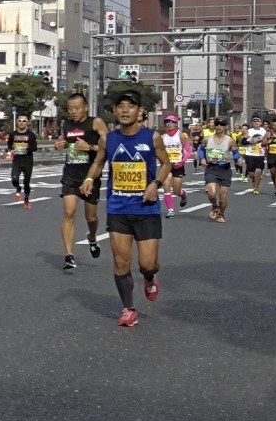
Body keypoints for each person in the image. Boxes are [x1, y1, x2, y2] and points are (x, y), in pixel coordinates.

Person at [80, 86, 166, 328]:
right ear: (115, 111)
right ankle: (129, 309)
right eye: (121, 106)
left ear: (140, 111)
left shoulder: (152, 137)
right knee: (120, 262)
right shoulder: (108, 138)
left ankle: (150, 277)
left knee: (147, 264)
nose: (125, 110)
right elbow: (98, 163)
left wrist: (156, 183)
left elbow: (166, 164)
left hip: (146, 209)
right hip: (118, 208)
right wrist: (89, 179)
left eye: (131, 106)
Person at [57, 92, 106, 270]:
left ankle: (92, 237)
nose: (73, 112)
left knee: (91, 217)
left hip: (90, 176)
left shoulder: (96, 122)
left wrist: (90, 147)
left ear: (85, 107)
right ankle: (69, 255)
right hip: (70, 173)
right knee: (69, 212)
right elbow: (66, 140)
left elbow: (109, 143)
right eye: (70, 109)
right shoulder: (67, 124)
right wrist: (60, 143)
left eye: (77, 108)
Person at [201, 119, 236, 223]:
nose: (219, 126)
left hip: (224, 169)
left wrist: (235, 158)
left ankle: (221, 214)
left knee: (222, 196)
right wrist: (202, 158)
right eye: (217, 124)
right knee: (211, 193)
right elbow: (201, 149)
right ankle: (215, 206)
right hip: (211, 168)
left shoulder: (230, 140)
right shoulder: (208, 139)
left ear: (226, 127)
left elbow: (236, 152)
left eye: (222, 124)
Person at [6, 114, 37, 207]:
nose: (21, 123)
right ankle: (18, 188)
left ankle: (26, 199)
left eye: (24, 121)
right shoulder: (13, 134)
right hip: (17, 160)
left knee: (26, 182)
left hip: (27, 160)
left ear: (27, 122)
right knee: (14, 179)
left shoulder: (31, 135)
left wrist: (28, 147)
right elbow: (9, 144)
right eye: (20, 121)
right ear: (17, 122)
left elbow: (35, 147)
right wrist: (10, 150)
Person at [161, 117, 189, 213]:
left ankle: (183, 194)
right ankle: (171, 210)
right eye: (166, 122)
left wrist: (182, 162)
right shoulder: (163, 137)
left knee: (176, 191)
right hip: (166, 165)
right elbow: (158, 151)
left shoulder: (180, 136)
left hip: (178, 165)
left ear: (176, 124)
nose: (168, 124)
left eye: (170, 122)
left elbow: (189, 151)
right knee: (166, 186)